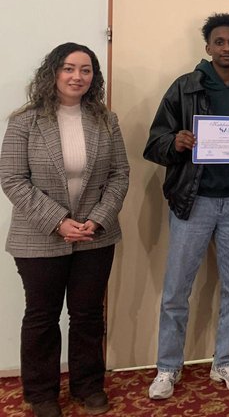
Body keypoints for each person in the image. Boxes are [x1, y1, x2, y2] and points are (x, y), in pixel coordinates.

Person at [143, 13, 229, 400]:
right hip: (193, 202)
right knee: (176, 291)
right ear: (208, 47)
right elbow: (154, 142)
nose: (226, 48)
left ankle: (226, 361)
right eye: (219, 42)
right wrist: (175, 143)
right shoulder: (184, 87)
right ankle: (168, 367)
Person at [0, 43, 129, 417]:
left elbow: (120, 174)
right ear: (53, 72)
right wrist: (58, 221)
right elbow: (12, 179)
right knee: (42, 316)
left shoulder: (106, 120)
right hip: (38, 236)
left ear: (94, 77)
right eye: (69, 68)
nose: (77, 76)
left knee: (88, 314)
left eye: (86, 70)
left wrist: (99, 218)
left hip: (95, 234)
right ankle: (41, 393)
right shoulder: (25, 121)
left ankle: (88, 386)